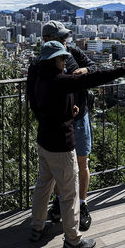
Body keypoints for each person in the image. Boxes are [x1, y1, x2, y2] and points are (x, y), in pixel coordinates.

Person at [28, 40, 125, 248]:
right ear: (53, 60)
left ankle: (37, 227)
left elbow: (40, 105)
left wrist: (66, 112)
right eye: (62, 58)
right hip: (61, 145)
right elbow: (96, 77)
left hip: (43, 141)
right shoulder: (60, 80)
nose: (65, 62)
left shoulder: (38, 77)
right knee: (70, 193)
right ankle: (72, 240)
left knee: (43, 185)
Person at [40, 20, 97, 230]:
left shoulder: (72, 51)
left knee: (82, 163)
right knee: (59, 167)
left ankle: (82, 205)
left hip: (79, 116)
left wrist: (84, 71)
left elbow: (93, 66)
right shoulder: (42, 61)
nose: (65, 42)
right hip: (59, 121)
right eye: (60, 38)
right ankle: (58, 202)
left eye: (65, 38)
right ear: (47, 40)